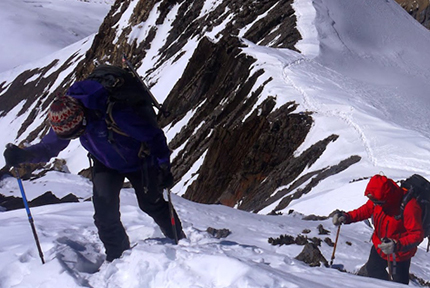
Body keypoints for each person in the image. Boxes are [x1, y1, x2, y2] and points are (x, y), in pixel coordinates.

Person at [3, 72, 185, 262]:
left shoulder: (116, 113)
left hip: (141, 161)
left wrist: (163, 166)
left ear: (82, 119)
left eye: (76, 133)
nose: (73, 137)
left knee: (152, 204)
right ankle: (118, 259)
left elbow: (154, 136)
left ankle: (179, 243)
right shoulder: (67, 118)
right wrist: (24, 155)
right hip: (105, 163)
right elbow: (50, 146)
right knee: (105, 214)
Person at [332, 174, 424, 284]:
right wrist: (347, 217)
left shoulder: (409, 206)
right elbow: (365, 210)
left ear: (387, 197)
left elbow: (417, 234)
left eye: (377, 202)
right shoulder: (379, 199)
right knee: (373, 270)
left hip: (399, 254)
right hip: (379, 245)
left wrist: (396, 245)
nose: (375, 204)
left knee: (399, 284)